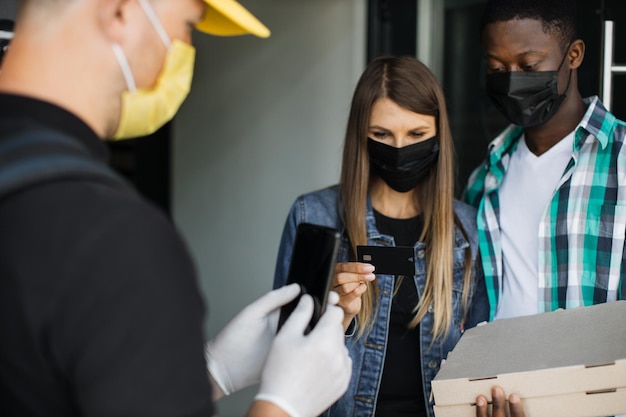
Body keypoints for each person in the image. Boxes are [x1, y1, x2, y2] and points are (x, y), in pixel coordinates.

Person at [0, 1, 351, 416]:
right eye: (186, 28)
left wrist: (210, 373)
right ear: (120, 12)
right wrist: (285, 405)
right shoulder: (113, 240)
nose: (182, 52)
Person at [273, 55, 489, 417]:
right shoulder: (313, 217)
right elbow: (286, 356)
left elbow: (481, 356)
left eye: (417, 135)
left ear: (438, 133)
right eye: (382, 135)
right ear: (362, 135)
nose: (400, 149)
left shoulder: (467, 229)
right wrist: (336, 318)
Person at [463, 0, 626, 414]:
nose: (512, 80)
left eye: (529, 65)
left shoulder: (622, 161)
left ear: (573, 55)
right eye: (497, 69)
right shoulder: (484, 179)